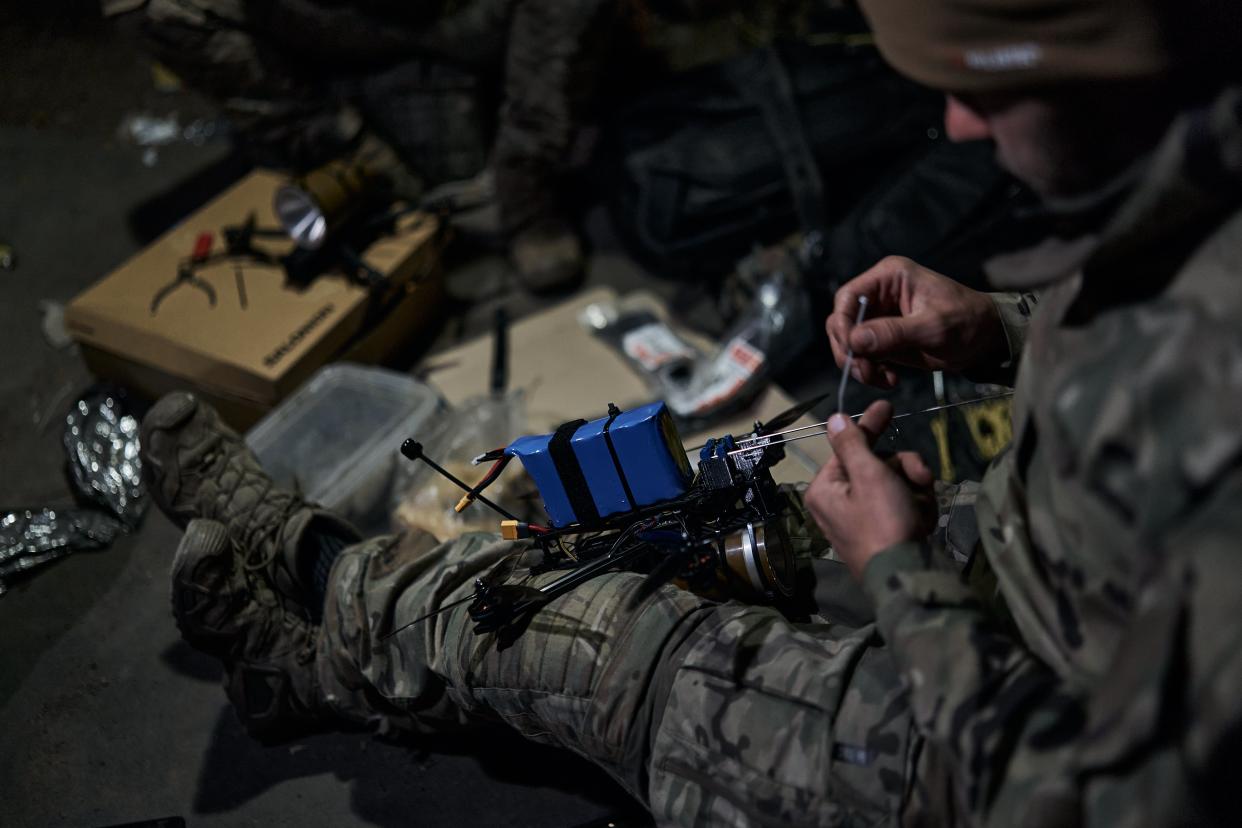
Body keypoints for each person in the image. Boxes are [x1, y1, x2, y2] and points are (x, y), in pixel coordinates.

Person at [140, 0, 1242, 824]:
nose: (953, 126)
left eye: (987, 92)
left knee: (613, 645)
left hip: (1002, 758)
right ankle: (329, 608)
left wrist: (900, 582)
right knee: (723, 505)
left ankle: (317, 609)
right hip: (1051, 574)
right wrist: (1001, 326)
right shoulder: (1201, 179)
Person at [136, 0, 618, 292]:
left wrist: (523, 164)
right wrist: (357, 149)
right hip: (331, 21)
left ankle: (524, 188)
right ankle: (352, 161)